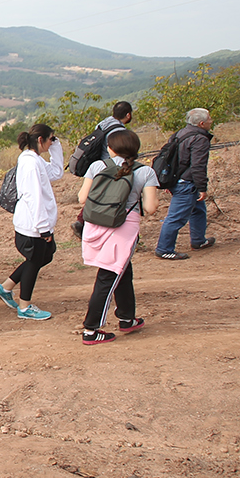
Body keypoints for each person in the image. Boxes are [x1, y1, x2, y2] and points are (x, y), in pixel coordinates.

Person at [77, 129, 160, 344]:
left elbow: (82, 198)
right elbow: (151, 208)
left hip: (96, 223)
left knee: (121, 269)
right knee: (109, 275)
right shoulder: (145, 172)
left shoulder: (97, 166)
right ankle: (91, 329)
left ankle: (126, 317)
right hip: (123, 227)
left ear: (110, 148)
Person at [0, 124, 62, 320]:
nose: (51, 143)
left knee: (45, 256)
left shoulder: (34, 159)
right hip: (33, 224)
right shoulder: (30, 163)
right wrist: (43, 228)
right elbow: (33, 197)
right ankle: (25, 307)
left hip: (36, 223)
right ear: (40, 140)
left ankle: (6, 287)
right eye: (50, 140)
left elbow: (56, 172)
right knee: (34, 261)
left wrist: (56, 147)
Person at [155, 108, 215, 260]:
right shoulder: (200, 139)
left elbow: (171, 160)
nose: (211, 121)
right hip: (187, 184)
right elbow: (198, 166)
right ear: (201, 123)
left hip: (178, 180)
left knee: (198, 210)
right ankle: (164, 249)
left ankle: (199, 240)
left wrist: (170, 183)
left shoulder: (179, 134)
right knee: (175, 218)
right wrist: (202, 187)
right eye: (209, 119)